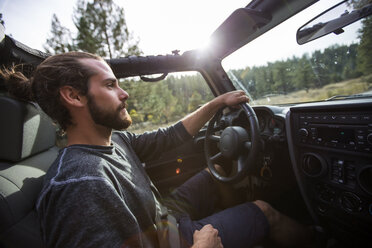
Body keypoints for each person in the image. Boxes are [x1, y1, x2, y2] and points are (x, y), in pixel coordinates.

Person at [1, 51, 314, 248]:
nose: (124, 94)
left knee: (218, 169)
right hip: (171, 238)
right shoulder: (79, 186)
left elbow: (170, 136)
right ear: (74, 96)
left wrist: (218, 102)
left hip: (163, 218)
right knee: (264, 210)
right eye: (110, 85)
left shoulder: (114, 141)